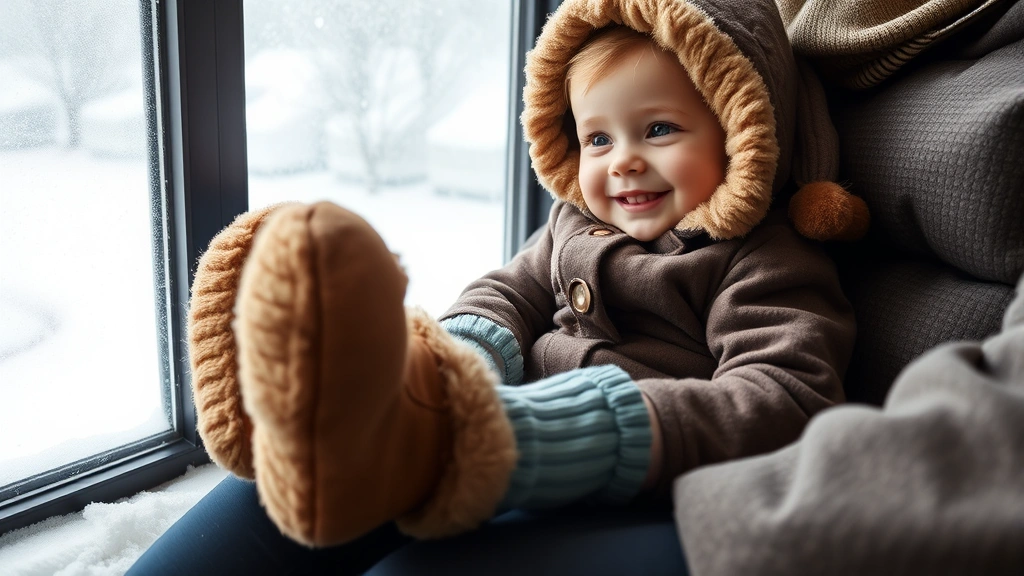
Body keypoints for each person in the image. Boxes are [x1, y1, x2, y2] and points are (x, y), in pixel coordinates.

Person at [129, 0, 868, 573]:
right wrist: (465, 364)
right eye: (598, 138)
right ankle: (298, 420)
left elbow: (785, 397)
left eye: (661, 130)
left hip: (631, 486)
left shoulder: (766, 259)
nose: (623, 163)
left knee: (400, 557)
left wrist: (583, 430)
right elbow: (508, 291)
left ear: (745, 131)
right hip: (498, 432)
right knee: (280, 493)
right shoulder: (575, 224)